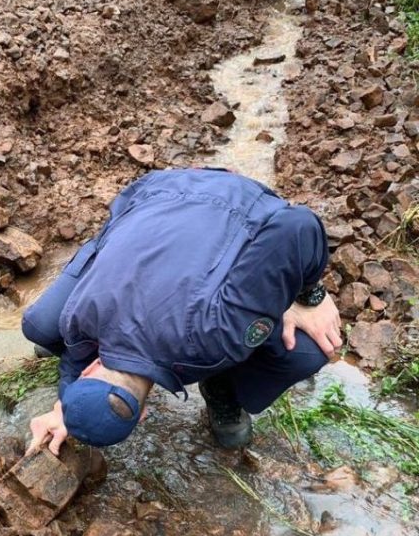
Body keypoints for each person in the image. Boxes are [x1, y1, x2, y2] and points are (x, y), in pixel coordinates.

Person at [21, 167, 342, 454]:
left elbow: (297, 224)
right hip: (156, 188)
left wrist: (306, 295)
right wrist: (67, 410)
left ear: (143, 413)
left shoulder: (212, 340)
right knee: (45, 326)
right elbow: (75, 359)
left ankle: (223, 391)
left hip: (235, 201)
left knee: (309, 352)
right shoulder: (78, 316)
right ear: (90, 372)